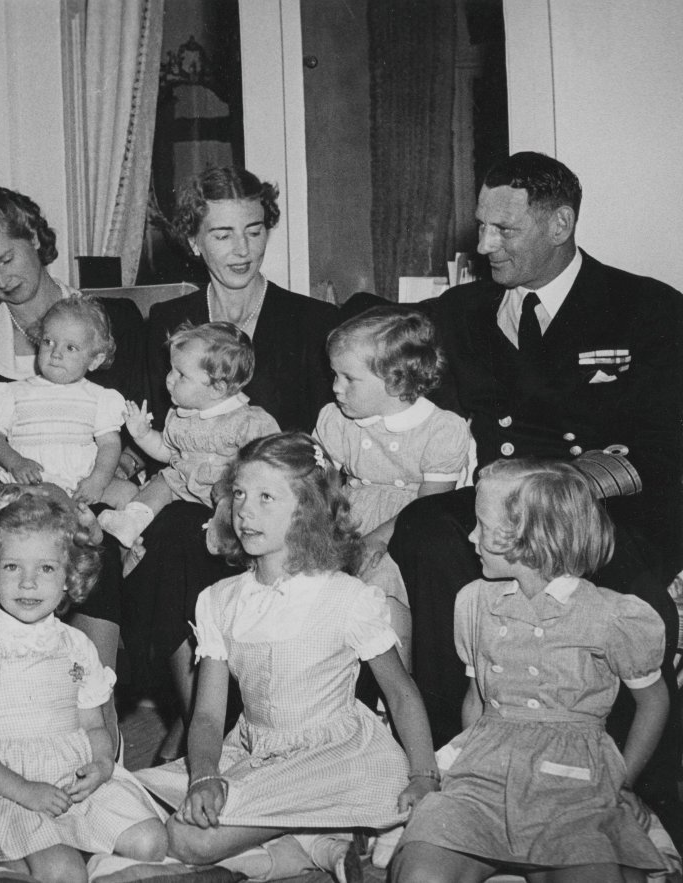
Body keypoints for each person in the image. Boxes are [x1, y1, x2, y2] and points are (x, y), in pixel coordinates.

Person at [387, 153, 683, 820]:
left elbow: (666, 444)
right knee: (426, 532)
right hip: (500, 498)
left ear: (560, 223)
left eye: (505, 231)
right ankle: (452, 753)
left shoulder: (645, 307)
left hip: (606, 506)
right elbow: (376, 335)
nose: (484, 245)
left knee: (634, 593)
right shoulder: (466, 309)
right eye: (482, 227)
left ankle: (640, 787)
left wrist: (557, 499)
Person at [136, 432, 438, 883]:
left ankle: (296, 839)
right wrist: (203, 776)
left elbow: (402, 694)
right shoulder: (219, 600)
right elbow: (206, 716)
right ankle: (321, 844)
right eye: (239, 493)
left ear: (307, 511)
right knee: (136, 804)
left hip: (337, 757)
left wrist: (424, 778)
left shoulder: (346, 597)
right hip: (257, 749)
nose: (245, 510)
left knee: (187, 840)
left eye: (266, 497)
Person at [126, 166, 338, 758]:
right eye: (221, 235)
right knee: (168, 537)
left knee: (235, 530)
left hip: (282, 494)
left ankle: (208, 722)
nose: (241, 249)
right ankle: (202, 711)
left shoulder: (313, 323)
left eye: (253, 230)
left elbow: (322, 434)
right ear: (194, 242)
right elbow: (164, 423)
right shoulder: (167, 323)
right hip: (191, 487)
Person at [394, 460, 670, 882]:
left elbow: (654, 702)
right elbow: (477, 700)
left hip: (573, 785)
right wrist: (461, 769)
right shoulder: (474, 601)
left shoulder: (614, 616)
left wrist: (623, 783)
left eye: (481, 526)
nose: (470, 537)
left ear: (529, 537)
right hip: (483, 776)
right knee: (418, 874)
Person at [0, 186, 144, 694]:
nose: (1, 280)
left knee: (96, 535)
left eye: (7, 258)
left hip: (96, 488)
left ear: (33, 235)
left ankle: (98, 704)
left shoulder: (115, 324)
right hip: (18, 500)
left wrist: (106, 475)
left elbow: (138, 429)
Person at [0, 490, 167, 883]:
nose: (29, 582)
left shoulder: (76, 645)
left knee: (151, 842)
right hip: (0, 784)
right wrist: (23, 791)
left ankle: (52, 858)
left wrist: (103, 764)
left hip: (67, 776)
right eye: (13, 567)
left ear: (70, 576)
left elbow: (93, 725)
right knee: (63, 872)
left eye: (47, 569)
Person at [314, 306, 471, 667]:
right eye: (334, 374)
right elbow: (321, 478)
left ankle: (398, 688)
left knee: (380, 589)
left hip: (404, 528)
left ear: (396, 382)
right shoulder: (338, 419)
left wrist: (378, 539)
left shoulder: (441, 430)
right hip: (349, 517)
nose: (335, 387)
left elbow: (430, 506)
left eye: (348, 378)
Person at [99, 321, 278, 559]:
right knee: (162, 482)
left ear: (217, 388)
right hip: (182, 482)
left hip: (222, 488)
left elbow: (268, 463)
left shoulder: (247, 421)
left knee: (230, 498)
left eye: (181, 374)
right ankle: (132, 519)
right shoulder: (180, 415)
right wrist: (142, 435)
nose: (170, 379)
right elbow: (168, 452)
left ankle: (224, 530)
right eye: (172, 369)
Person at [0, 294, 133, 507]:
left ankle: (110, 525)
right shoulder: (13, 393)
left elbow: (109, 444)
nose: (55, 354)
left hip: (83, 483)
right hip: (33, 483)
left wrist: (98, 481)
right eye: (48, 342)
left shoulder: (99, 398)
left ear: (95, 360)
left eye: (70, 348)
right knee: (34, 498)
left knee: (128, 493)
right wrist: (15, 462)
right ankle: (81, 525)